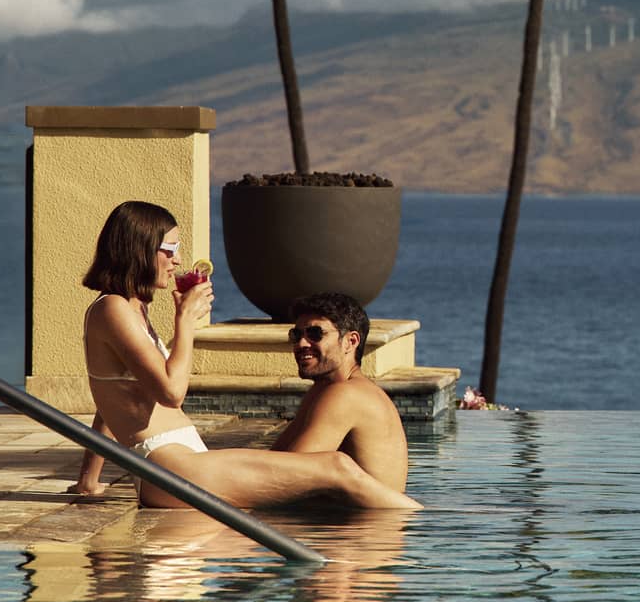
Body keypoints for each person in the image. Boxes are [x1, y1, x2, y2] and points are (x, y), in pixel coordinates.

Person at [67, 201, 419, 511]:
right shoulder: (112, 308)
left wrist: (89, 479)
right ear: (140, 248)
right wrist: (186, 323)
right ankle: (427, 523)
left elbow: (111, 400)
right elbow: (171, 392)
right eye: (169, 249)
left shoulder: (132, 309)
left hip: (179, 465)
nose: (176, 260)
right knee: (337, 467)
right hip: (169, 466)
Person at [270, 292, 408, 494]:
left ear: (350, 342)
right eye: (296, 335)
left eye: (315, 334)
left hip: (364, 525)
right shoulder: (322, 390)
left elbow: (286, 478)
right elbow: (277, 460)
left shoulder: (347, 395)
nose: (301, 344)